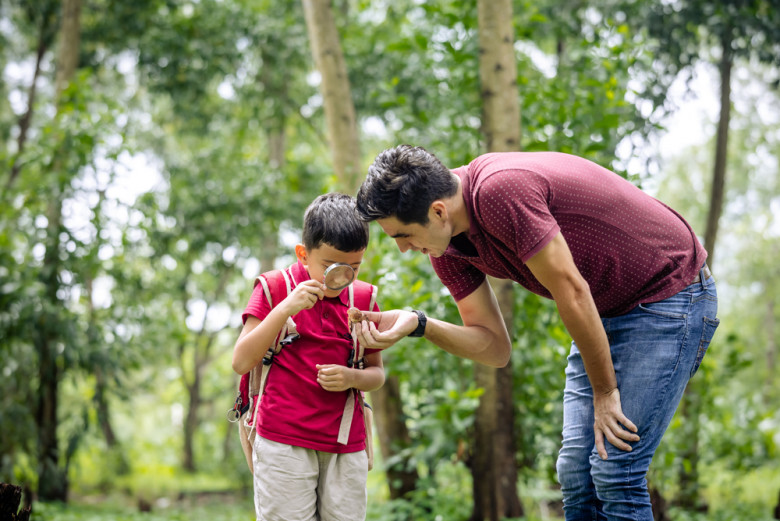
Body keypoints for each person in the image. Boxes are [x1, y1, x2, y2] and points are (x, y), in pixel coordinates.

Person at [352, 145, 719, 520]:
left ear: (438, 211)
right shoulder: (444, 250)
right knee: (575, 474)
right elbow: (495, 348)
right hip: (604, 308)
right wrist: (419, 324)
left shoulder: (497, 192)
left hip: (669, 294)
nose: (402, 249)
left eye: (403, 235)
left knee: (615, 470)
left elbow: (571, 289)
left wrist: (605, 392)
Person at [232, 193, 385, 521]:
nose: (342, 278)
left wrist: (351, 377)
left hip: (346, 443)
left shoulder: (363, 298)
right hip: (283, 441)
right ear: (303, 254)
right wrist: (287, 307)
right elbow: (241, 361)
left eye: (354, 268)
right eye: (331, 267)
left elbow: (376, 373)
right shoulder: (274, 288)